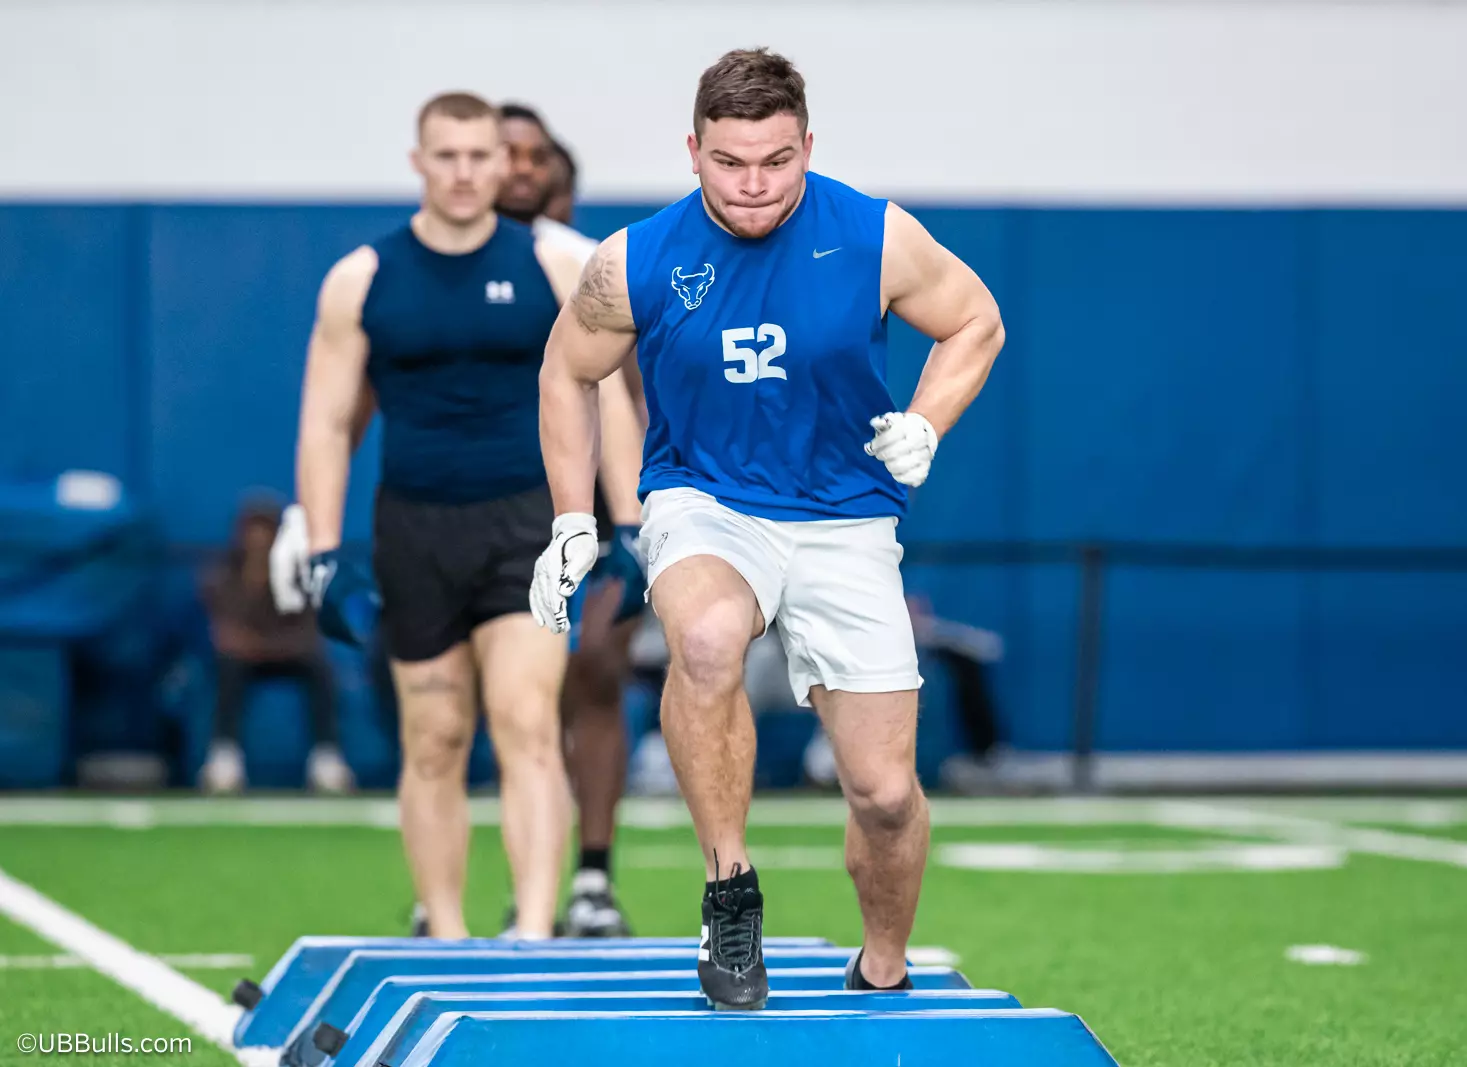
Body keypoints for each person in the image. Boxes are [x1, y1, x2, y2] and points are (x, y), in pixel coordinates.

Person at [528, 48, 1005, 1008]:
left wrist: (925, 422)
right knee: (703, 639)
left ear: (807, 147)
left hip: (845, 516)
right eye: (731, 162)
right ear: (693, 150)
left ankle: (881, 962)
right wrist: (573, 517)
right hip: (704, 498)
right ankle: (730, 888)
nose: (753, 185)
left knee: (881, 791)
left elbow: (976, 320)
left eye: (776, 162)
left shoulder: (872, 234)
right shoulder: (635, 260)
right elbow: (565, 372)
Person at [273, 91, 643, 940]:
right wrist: (323, 546)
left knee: (525, 724)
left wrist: (626, 520)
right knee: (435, 738)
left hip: (526, 527)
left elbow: (607, 397)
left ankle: (535, 934)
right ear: (420, 162)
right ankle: (443, 932)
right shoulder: (363, 278)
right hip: (415, 529)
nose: (469, 172)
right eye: (449, 156)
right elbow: (328, 422)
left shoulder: (555, 266)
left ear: (506, 165)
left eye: (484, 156)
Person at [494, 102, 644, 936]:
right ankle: (523, 883)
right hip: (491, 507)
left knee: (591, 681)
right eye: (502, 152)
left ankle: (592, 875)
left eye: (534, 156)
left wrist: (628, 518)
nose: (518, 169)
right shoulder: (436, 268)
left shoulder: (592, 265)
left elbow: (627, 392)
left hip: (592, 509)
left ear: (562, 176)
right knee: (511, 698)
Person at [199, 494, 353, 795]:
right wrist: (253, 582)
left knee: (319, 668)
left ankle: (326, 758)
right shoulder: (221, 575)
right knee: (228, 668)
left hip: (289, 656)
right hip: (242, 662)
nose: (258, 540)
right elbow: (226, 635)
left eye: (266, 531)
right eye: (251, 531)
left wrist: (263, 644)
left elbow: (309, 635)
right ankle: (224, 757)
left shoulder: (300, 573)